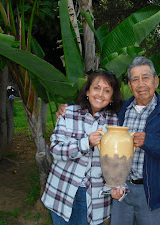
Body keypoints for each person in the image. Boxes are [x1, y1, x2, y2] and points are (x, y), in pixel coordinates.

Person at [57, 56, 160, 225]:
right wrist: (67, 107)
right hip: (121, 190)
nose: (141, 84)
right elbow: (94, 105)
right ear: (129, 85)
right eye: (135, 79)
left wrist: (150, 142)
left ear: (156, 81)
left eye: (145, 78)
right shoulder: (120, 110)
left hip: (154, 192)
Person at [42, 70, 123, 225]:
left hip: (94, 195)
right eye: (96, 88)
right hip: (63, 190)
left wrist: (118, 185)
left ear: (112, 98)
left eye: (107, 91)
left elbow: (115, 160)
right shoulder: (69, 113)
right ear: (87, 91)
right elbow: (56, 149)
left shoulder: (113, 122)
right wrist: (86, 143)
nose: (100, 94)